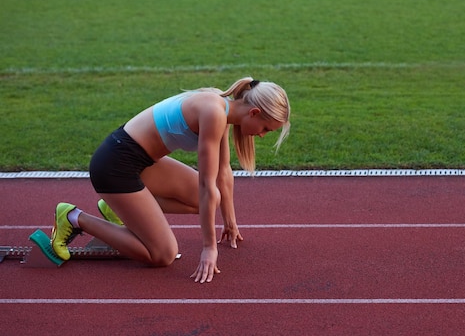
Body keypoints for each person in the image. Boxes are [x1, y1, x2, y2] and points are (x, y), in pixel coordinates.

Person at [50, 77, 290, 283]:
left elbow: (223, 171)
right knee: (162, 255)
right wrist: (209, 248)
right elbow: (206, 184)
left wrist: (230, 222)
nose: (261, 135)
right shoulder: (214, 112)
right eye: (266, 129)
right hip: (114, 166)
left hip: (140, 162)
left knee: (208, 199)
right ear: (254, 112)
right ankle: (73, 218)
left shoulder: (223, 108)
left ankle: (119, 209)